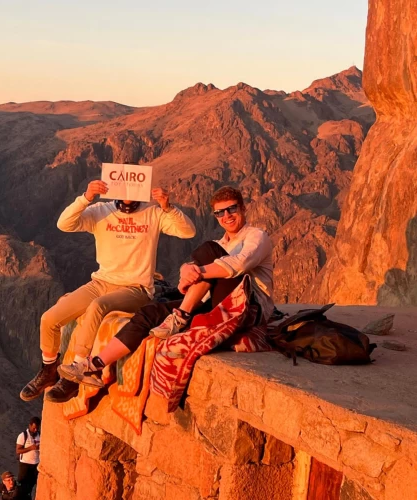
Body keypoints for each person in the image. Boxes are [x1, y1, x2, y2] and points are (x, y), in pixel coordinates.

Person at [58, 186, 274, 388]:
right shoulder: (224, 243)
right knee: (150, 312)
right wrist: (186, 270)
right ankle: (94, 365)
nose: (226, 216)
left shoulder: (256, 236)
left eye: (232, 209)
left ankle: (180, 316)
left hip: (249, 307)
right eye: (220, 213)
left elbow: (238, 265)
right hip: (219, 303)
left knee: (209, 249)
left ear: (243, 208)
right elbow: (201, 277)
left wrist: (197, 271)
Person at [20, 179, 196, 403]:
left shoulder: (153, 213)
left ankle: (78, 372)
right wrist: (86, 197)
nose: (129, 191)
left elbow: (188, 232)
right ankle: (49, 370)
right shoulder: (100, 211)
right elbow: (64, 224)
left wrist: (167, 207)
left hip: (136, 287)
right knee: (50, 319)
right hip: (101, 282)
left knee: (98, 306)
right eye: (124, 183)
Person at [15, 416, 40, 499]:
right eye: (34, 428)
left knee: (31, 485)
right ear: (29, 426)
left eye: (37, 428)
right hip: (25, 464)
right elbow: (18, 451)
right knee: (22, 486)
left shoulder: (39, 435)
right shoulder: (23, 436)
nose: (35, 430)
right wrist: (30, 448)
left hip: (36, 464)